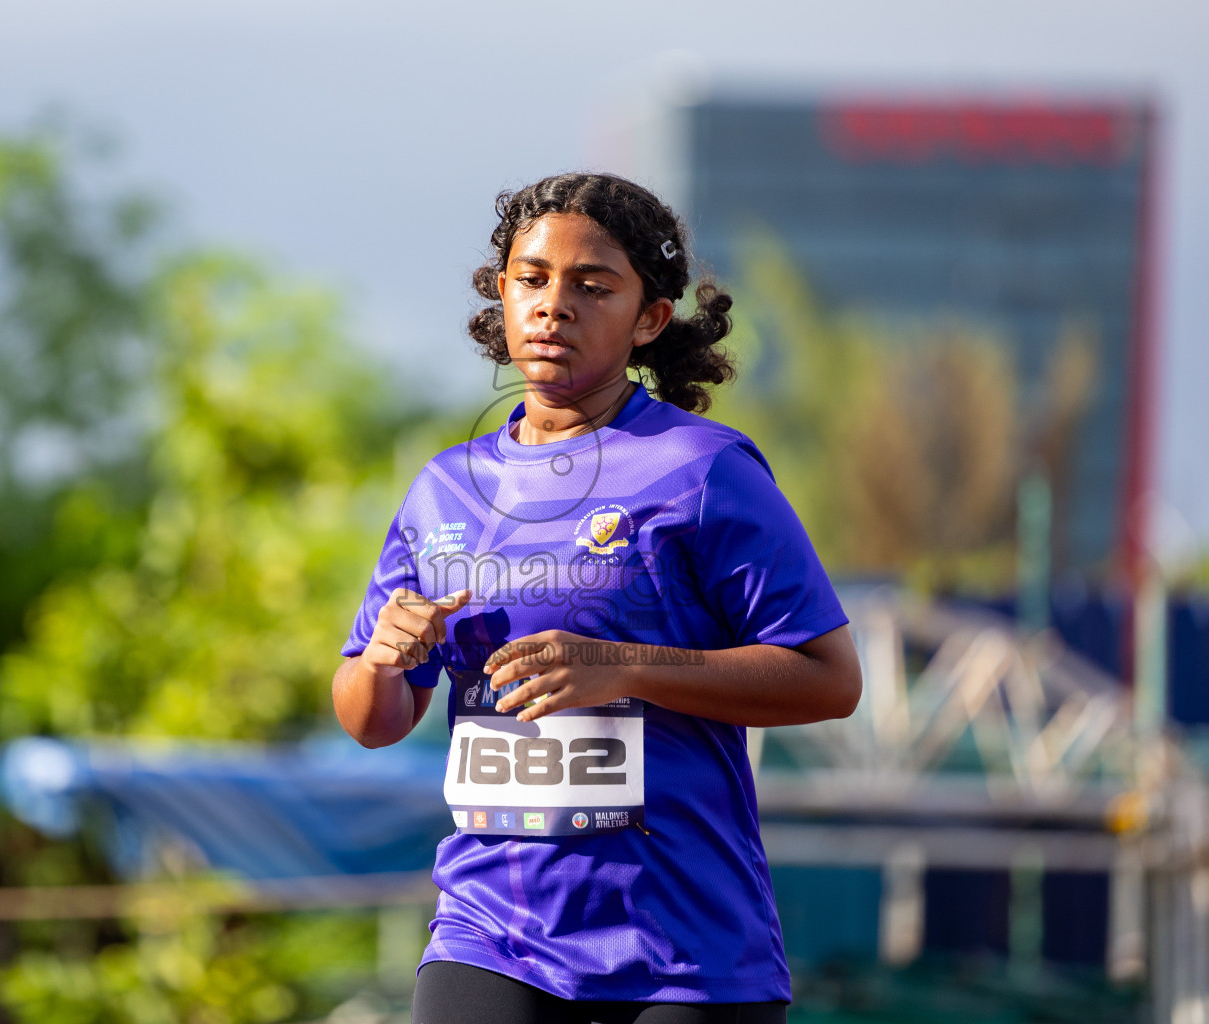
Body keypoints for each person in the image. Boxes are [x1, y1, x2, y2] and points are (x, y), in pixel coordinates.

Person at [332, 173, 862, 1024]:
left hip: (679, 950)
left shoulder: (703, 470)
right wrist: (386, 660)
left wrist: (624, 667)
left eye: (592, 286)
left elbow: (830, 680)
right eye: (531, 278)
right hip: (490, 929)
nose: (553, 307)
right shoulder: (446, 487)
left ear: (650, 318)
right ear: (500, 295)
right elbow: (370, 719)